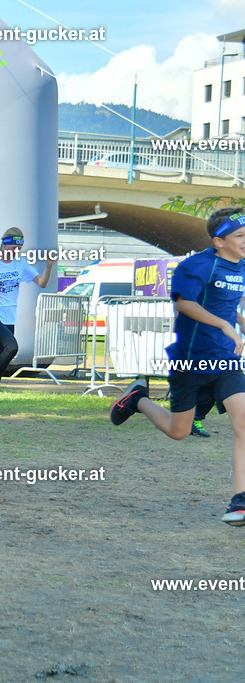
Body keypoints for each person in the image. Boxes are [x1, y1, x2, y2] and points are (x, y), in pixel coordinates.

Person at [110, 207, 245, 526]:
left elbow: (227, 305)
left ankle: (239, 501)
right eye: (240, 236)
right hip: (192, 360)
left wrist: (238, 321)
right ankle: (138, 400)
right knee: (179, 431)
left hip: (226, 360)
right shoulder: (196, 265)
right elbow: (185, 302)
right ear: (219, 241)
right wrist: (225, 327)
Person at [0, 227, 54, 411]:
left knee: (2, 357)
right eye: (13, 246)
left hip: (10, 315)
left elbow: (42, 283)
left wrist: (49, 266)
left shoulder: (20, 264)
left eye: (19, 247)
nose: (15, 250)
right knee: (13, 346)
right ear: (3, 245)